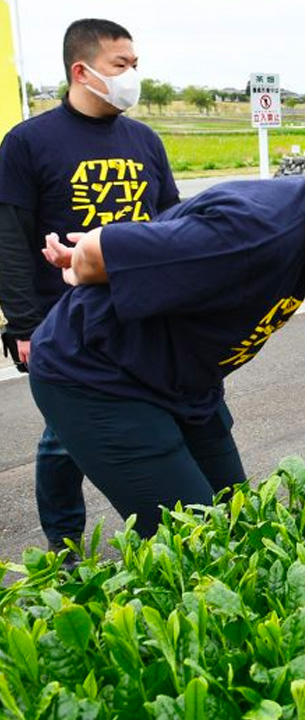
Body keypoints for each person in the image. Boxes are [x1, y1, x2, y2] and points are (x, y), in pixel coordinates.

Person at [28, 108, 305, 538]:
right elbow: (103, 249)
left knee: (242, 524)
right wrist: (79, 263)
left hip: (185, 382)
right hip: (99, 375)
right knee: (201, 544)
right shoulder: (257, 230)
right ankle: (66, 564)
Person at [0, 19, 179, 554]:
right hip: (64, 322)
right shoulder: (29, 142)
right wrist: (24, 324)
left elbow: (172, 225)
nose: (132, 77)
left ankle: (162, 527)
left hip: (139, 312)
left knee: (144, 416)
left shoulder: (144, 139)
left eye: (135, 66)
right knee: (64, 437)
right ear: (82, 70)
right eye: (121, 66)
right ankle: (65, 543)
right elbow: (9, 238)